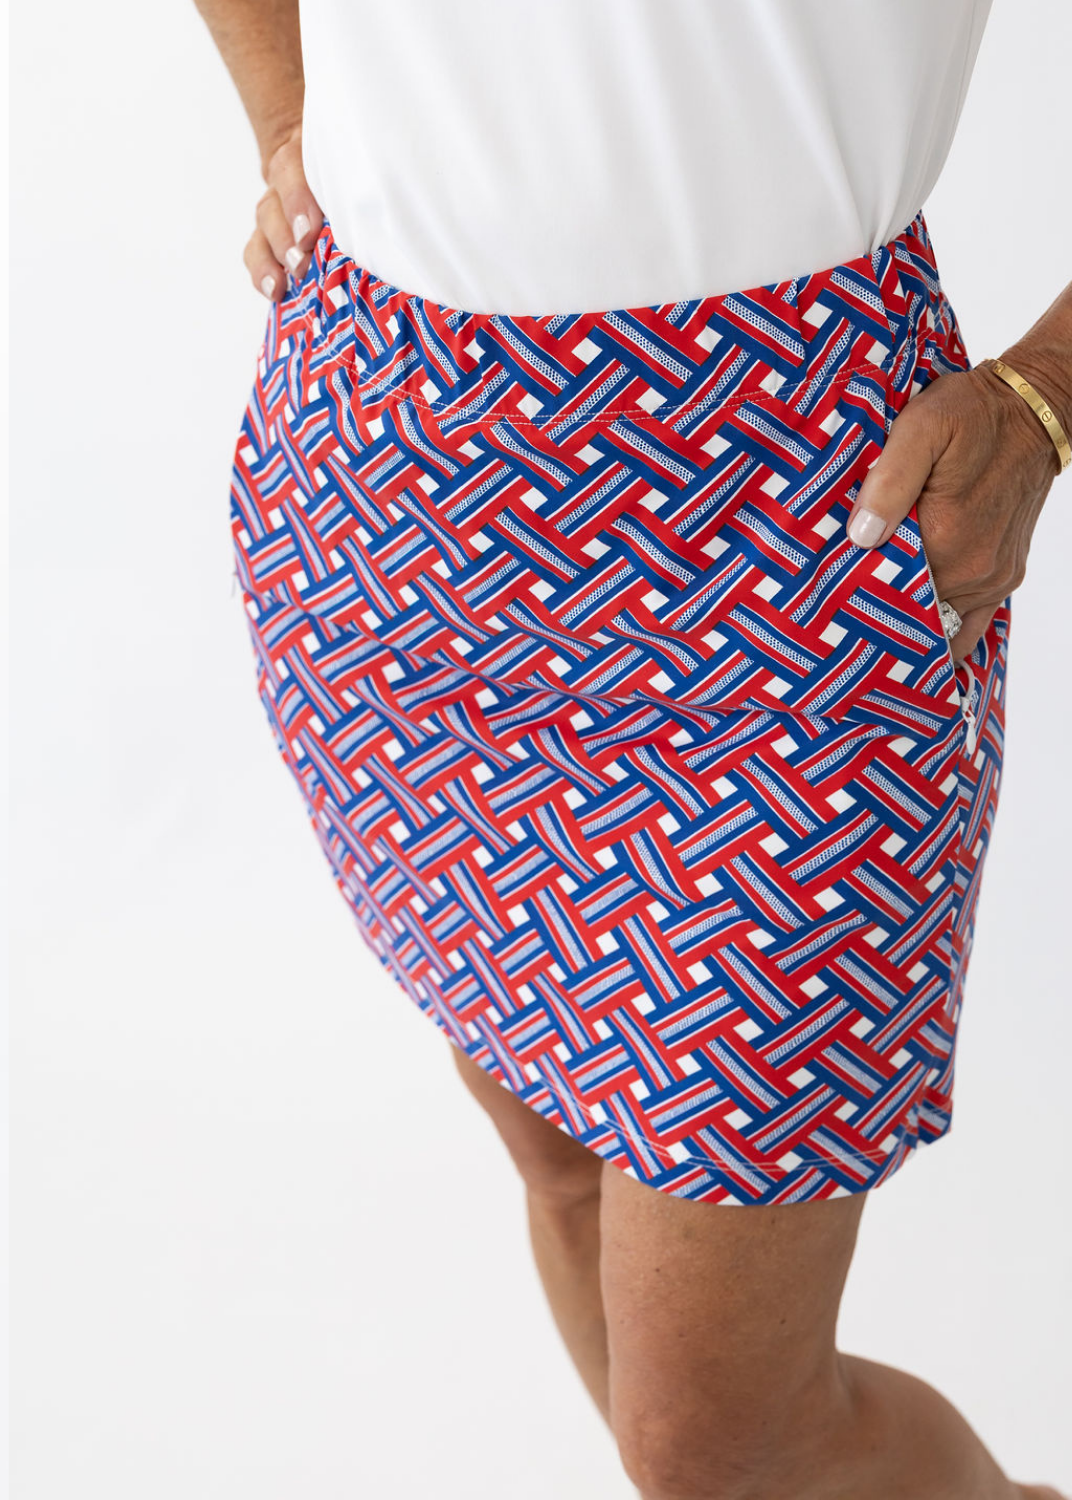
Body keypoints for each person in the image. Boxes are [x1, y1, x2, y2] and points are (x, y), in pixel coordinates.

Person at [197, 1, 1070, 1495]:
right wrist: (287, 113)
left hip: (786, 518)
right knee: (561, 1168)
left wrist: (1047, 395)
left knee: (718, 1442)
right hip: (384, 485)